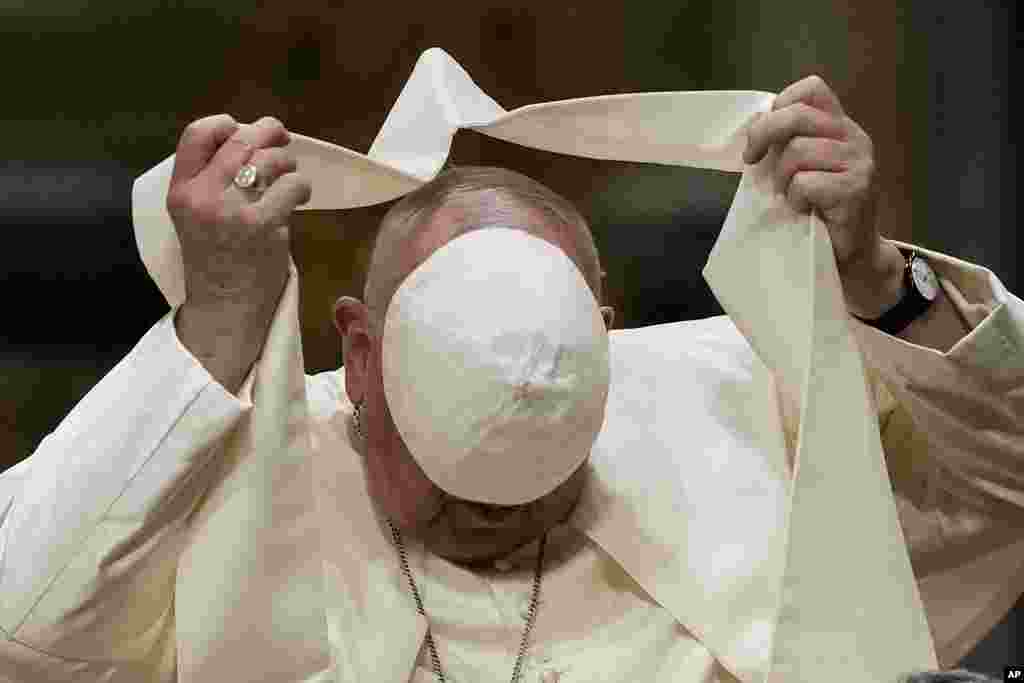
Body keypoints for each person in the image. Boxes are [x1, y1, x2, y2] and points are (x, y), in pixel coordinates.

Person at [0, 74, 1020, 683]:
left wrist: (879, 282)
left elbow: (1004, 488)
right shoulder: (243, 461)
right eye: (442, 461)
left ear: (605, 346)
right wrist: (217, 320)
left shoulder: (724, 398)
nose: (489, 506)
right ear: (359, 352)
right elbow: (20, 629)